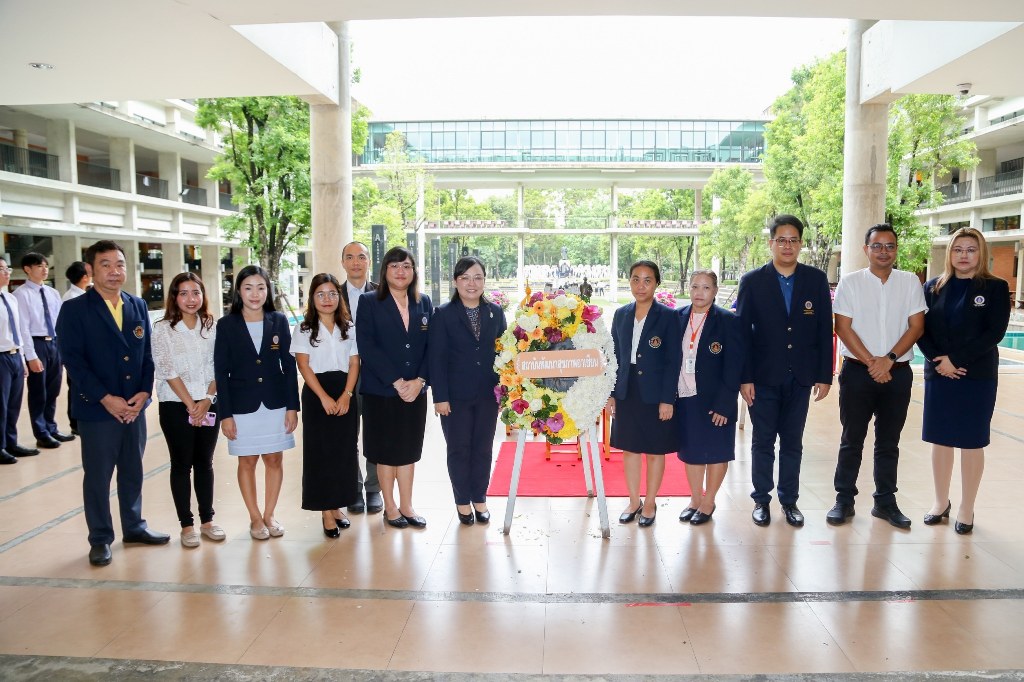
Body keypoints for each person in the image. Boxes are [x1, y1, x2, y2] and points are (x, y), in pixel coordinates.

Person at [56, 240, 170, 567]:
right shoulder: (75, 309)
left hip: (134, 408)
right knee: (98, 477)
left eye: (119, 264)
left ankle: (134, 527)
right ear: (91, 270)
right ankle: (100, 538)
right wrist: (106, 398)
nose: (114, 271)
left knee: (132, 470)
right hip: (97, 410)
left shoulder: (137, 305)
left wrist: (144, 393)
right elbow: (73, 362)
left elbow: (147, 355)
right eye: (105, 265)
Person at [827, 224, 926, 529]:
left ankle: (885, 501)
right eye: (877, 246)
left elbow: (917, 327)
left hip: (898, 374)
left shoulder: (910, 282)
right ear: (865, 249)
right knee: (851, 439)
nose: (884, 251)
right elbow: (842, 327)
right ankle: (844, 499)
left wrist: (889, 360)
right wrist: (873, 363)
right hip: (858, 373)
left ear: (896, 249)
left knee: (889, 442)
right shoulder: (851, 282)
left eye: (890, 246)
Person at [737, 214, 833, 528]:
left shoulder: (815, 280)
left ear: (801, 244)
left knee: (793, 442)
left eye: (793, 240)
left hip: (801, 377)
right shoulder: (753, 281)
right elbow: (742, 334)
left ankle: (789, 501)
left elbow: (824, 329)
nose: (787, 245)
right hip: (762, 377)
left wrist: (824, 375)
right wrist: (745, 377)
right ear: (771, 243)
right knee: (763, 441)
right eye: (781, 240)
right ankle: (761, 500)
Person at [918, 227, 1010, 535]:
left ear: (981, 253)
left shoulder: (995, 287)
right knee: (940, 439)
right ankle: (940, 502)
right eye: (958, 249)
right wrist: (939, 360)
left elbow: (994, 333)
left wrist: (956, 360)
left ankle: (966, 507)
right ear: (950, 253)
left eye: (971, 249)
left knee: (972, 440)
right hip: (939, 374)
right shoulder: (933, 286)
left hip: (976, 376)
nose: (964, 255)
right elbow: (920, 330)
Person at [214, 265, 299, 540]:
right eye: (248, 288)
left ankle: (269, 514)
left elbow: (289, 366)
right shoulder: (227, 325)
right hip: (242, 406)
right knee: (247, 461)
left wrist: (292, 407)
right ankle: (254, 518)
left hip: (275, 403)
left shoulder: (278, 320)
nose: (255, 294)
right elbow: (221, 372)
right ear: (238, 291)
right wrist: (225, 414)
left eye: (261, 288)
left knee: (274, 459)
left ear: (268, 291)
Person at [356, 247, 432, 529]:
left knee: (409, 450)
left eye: (407, 266)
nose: (401, 271)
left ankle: (407, 505)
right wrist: (397, 381)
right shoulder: (369, 301)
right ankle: (390, 507)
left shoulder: (423, 301)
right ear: (385, 270)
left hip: (415, 390)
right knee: (386, 452)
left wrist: (420, 380)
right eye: (395, 266)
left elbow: (432, 346)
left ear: (414, 271)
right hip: (382, 391)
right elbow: (367, 346)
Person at [429, 256, 507, 525]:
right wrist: (440, 397)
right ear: (455, 282)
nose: (471, 283)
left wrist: (505, 390)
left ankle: (480, 498)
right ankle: (462, 501)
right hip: (455, 397)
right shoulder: (443, 314)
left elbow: (504, 354)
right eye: (465, 278)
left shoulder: (495, 312)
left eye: (477, 278)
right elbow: (436, 358)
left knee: (483, 448)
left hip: (488, 394)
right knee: (459, 449)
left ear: (484, 281)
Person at [152, 272, 224, 548]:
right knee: (181, 464)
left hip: (208, 403)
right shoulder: (163, 329)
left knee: (205, 462)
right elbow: (167, 370)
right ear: (174, 297)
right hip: (175, 405)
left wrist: (206, 399)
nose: (191, 299)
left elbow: (219, 365)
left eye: (196, 292)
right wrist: (191, 405)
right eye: (183, 293)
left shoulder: (211, 326)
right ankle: (186, 525)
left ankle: (207, 520)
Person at [609, 260, 683, 527]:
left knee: (654, 450)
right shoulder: (621, 314)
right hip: (626, 389)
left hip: (655, 392)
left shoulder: (669, 316)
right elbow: (614, 356)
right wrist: (612, 392)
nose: (641, 286)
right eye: (636, 279)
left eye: (647, 280)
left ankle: (650, 503)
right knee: (629, 449)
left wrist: (667, 399)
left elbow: (673, 360)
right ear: (629, 281)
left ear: (656, 284)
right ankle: (633, 501)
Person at [291, 273, 360, 538]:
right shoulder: (304, 329)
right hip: (317, 393)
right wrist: (323, 397)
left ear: (339, 297)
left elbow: (354, 362)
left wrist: (347, 394)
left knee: (344, 451)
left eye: (332, 293)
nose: (327, 299)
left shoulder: (349, 327)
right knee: (320, 453)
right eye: (320, 294)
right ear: (312, 298)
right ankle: (325, 511)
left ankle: (337, 505)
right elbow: (304, 366)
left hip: (344, 391)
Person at [675, 270, 744, 525]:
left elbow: (734, 366)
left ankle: (709, 501)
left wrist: (725, 403)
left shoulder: (728, 320)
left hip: (717, 400)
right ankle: (695, 499)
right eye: (695, 287)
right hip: (686, 395)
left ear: (715, 291)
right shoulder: (677, 317)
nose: (699, 293)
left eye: (706, 287)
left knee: (716, 451)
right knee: (691, 451)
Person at [339, 240, 383, 515]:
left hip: (376, 374)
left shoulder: (382, 293)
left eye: (361, 257)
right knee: (346, 434)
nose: (356, 262)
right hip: (343, 375)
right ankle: (353, 488)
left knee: (375, 432)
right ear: (343, 262)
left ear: (369, 261)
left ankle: (374, 488)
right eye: (350, 257)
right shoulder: (331, 294)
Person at [14, 252, 74, 449]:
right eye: (39, 266)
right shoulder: (21, 294)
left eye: (46, 266)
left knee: (53, 389)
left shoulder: (52, 293)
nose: (44, 269)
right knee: (38, 390)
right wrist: (30, 356)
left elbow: (60, 322)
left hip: (54, 343)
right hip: (36, 343)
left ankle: (51, 427)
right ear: (27, 269)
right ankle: (41, 433)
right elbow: (23, 328)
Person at [0, 258, 37, 464]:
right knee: (1, 405)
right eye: (2, 269)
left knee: (13, 404)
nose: (7, 272)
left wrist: (22, 358)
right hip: (0, 357)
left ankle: (11, 442)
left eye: (7, 268)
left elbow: (20, 330)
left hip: (14, 355)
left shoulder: (10, 298)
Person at [61, 261, 91, 435]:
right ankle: (75, 423)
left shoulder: (84, 294)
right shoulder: (72, 298)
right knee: (75, 387)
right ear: (84, 277)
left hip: (86, 352)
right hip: (78, 352)